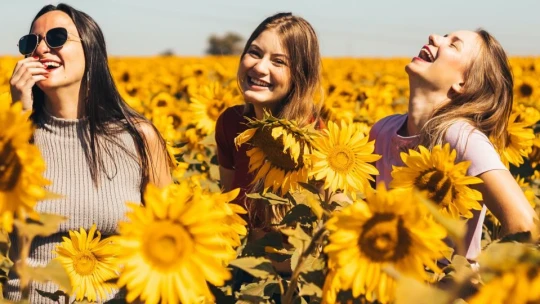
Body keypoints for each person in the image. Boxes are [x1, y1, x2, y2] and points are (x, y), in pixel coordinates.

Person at [8, 3, 172, 302]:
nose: (41, 49)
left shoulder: (138, 138)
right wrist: (18, 119)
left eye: (56, 37)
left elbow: (166, 236)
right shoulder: (13, 136)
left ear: (91, 49)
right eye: (31, 43)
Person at [369, 29, 537, 261]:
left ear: (463, 83)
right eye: (443, 36)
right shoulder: (382, 131)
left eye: (453, 45)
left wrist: (478, 280)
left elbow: (524, 224)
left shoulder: (460, 137)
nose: (434, 37)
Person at [215, 12, 323, 230]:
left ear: (299, 76)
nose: (260, 68)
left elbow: (317, 225)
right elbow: (229, 207)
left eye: (279, 61)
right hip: (238, 257)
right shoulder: (231, 123)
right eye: (254, 53)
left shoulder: (316, 137)